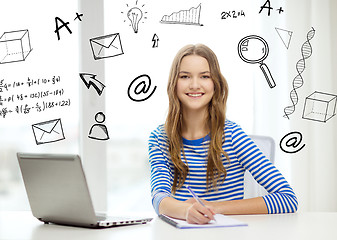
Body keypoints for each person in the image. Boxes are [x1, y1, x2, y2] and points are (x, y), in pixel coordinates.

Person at [148, 44, 298, 224]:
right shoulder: (160, 138)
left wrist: (213, 207)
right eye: (185, 76)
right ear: (174, 83)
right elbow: (159, 199)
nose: (195, 85)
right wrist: (187, 210)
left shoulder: (233, 136)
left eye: (204, 76)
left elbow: (288, 199)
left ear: (215, 84)